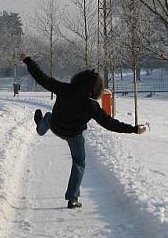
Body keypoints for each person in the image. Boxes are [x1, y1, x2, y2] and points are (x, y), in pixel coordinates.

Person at [20, 53, 147, 209]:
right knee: (79, 163)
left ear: (78, 79)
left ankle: (41, 127)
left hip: (56, 125)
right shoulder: (92, 106)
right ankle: (73, 199)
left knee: (48, 117)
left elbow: (41, 77)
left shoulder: (64, 89)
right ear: (96, 88)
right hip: (73, 135)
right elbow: (110, 124)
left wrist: (28, 61)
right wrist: (134, 129)